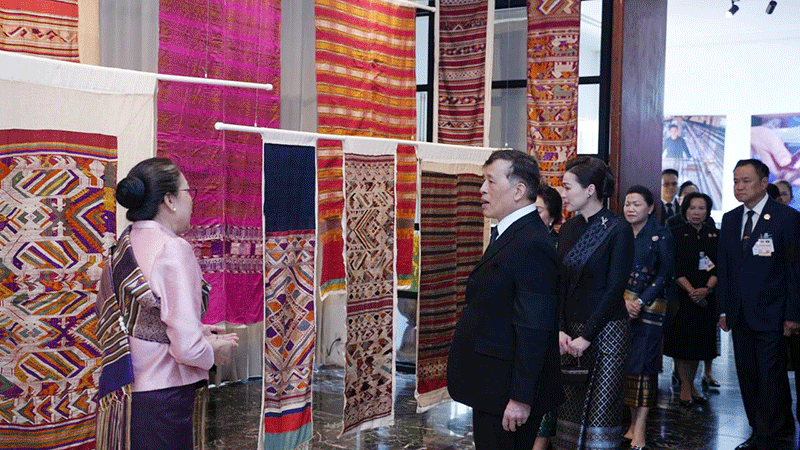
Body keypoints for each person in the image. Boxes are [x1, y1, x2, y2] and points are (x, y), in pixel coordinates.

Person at [95, 158, 239, 450]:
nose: (192, 201)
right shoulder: (173, 249)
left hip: (128, 388)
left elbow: (142, 318)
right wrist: (213, 352)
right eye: (188, 192)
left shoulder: (125, 243)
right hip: (164, 396)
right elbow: (187, 350)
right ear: (170, 200)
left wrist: (200, 331)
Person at [447, 150, 563, 450]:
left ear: (519, 190)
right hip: (493, 385)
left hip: (507, 392)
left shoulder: (531, 242)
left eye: (490, 181)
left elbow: (534, 327)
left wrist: (520, 398)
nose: (482, 189)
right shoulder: (510, 233)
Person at [717, 159, 800, 450]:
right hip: (739, 314)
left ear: (764, 183)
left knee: (769, 376)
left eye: (746, 181)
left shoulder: (786, 218)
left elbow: (794, 270)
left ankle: (765, 436)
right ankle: (764, 426)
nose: (739, 187)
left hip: (773, 313)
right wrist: (723, 309)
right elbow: (725, 268)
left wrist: (793, 314)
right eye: (735, 181)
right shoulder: (730, 219)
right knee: (748, 376)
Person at [553, 156, 634, 450]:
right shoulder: (568, 229)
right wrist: (561, 330)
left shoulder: (618, 229)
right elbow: (560, 285)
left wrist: (587, 336)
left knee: (601, 408)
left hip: (606, 331)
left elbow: (615, 289)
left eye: (567, 187)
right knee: (570, 408)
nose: (562, 193)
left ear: (589, 190)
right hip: (570, 333)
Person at [621, 186, 674, 450]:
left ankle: (640, 426)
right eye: (627, 204)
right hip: (622, 308)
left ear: (650, 208)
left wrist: (640, 301)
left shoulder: (661, 234)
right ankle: (632, 423)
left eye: (637, 204)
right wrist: (623, 302)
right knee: (629, 367)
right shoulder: (620, 232)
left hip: (651, 309)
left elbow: (665, 273)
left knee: (644, 366)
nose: (630, 209)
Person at [663, 192, 718, 407]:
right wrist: (692, 291)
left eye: (701, 208)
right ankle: (685, 386)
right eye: (692, 208)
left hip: (706, 297)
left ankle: (692, 383)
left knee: (699, 345)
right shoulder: (674, 233)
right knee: (682, 344)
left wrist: (707, 289)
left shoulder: (715, 234)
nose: (696, 212)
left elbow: (721, 265)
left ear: (707, 211)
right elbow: (672, 266)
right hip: (682, 297)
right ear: (685, 210)